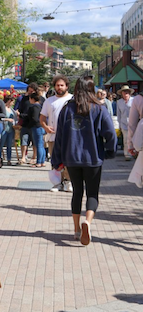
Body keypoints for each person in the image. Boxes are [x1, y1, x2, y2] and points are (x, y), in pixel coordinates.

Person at [51, 76, 116, 246]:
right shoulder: (99, 109)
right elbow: (110, 133)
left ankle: (76, 230)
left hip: (71, 158)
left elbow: (59, 137)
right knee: (92, 193)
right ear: (92, 89)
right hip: (93, 157)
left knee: (77, 192)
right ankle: (87, 221)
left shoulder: (67, 109)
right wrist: (110, 151)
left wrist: (56, 159)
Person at [40, 74, 73, 192]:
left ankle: (68, 182)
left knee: (68, 160)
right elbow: (42, 117)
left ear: (66, 86)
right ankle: (57, 183)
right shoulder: (49, 101)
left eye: (62, 85)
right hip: (53, 136)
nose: (59, 87)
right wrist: (46, 127)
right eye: (57, 85)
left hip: (69, 137)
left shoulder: (72, 100)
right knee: (55, 161)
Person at [18, 83, 38, 164]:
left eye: (32, 91)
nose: (30, 92)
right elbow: (20, 109)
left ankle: (34, 157)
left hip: (34, 124)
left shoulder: (39, 99)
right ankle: (23, 157)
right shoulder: (24, 99)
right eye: (29, 90)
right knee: (24, 141)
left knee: (34, 142)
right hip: (25, 123)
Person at [28, 93, 46, 167]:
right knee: (41, 145)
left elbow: (34, 118)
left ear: (32, 99)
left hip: (36, 127)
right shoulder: (41, 106)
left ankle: (38, 162)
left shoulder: (34, 107)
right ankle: (42, 161)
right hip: (41, 126)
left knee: (38, 145)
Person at [116, 85, 134, 160]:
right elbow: (118, 114)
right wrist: (119, 125)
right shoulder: (119, 102)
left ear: (129, 93)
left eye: (127, 92)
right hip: (124, 124)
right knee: (126, 140)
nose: (126, 94)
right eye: (124, 92)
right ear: (122, 93)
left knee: (134, 139)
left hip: (133, 123)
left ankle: (135, 153)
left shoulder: (134, 100)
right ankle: (127, 155)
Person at [0, 95, 17, 166]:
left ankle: (9, 159)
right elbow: (0, 118)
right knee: (1, 145)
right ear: (9, 101)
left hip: (11, 129)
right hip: (4, 128)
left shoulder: (12, 110)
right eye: (12, 102)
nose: (13, 103)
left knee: (9, 145)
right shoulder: (3, 108)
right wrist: (7, 119)